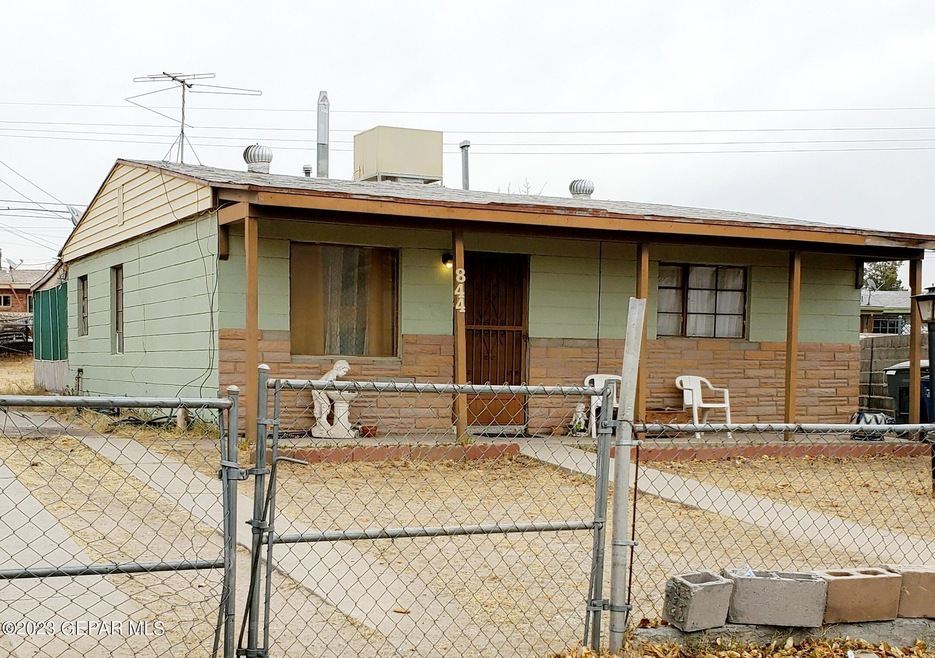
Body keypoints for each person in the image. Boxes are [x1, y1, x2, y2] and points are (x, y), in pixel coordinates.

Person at [313, 360, 350, 430]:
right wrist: (336, 391)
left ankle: (320, 423)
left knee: (319, 406)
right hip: (318, 390)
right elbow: (329, 385)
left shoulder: (333, 374)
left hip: (318, 389)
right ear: (339, 368)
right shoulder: (332, 373)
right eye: (344, 371)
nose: (344, 373)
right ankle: (323, 420)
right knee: (326, 405)